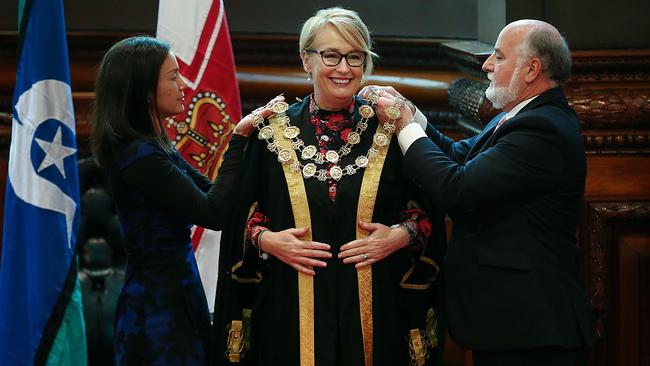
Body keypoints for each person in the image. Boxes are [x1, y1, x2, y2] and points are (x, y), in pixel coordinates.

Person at [213, 7, 446, 366]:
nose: (344, 68)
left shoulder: (392, 127)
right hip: (290, 306)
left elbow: (432, 203)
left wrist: (401, 234)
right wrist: (266, 240)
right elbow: (237, 215)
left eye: (355, 56)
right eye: (331, 55)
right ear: (306, 60)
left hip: (376, 307)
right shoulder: (270, 131)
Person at [362, 19, 594, 366]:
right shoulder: (519, 115)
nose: (486, 65)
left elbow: (457, 189)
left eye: (498, 57)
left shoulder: (543, 128)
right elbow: (457, 156)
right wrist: (411, 112)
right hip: (509, 323)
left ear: (531, 69)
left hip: (533, 329)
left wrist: (404, 125)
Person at [91, 36, 279, 365]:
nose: (184, 85)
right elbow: (214, 213)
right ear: (143, 88)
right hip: (156, 313)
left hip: (178, 295)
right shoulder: (140, 156)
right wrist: (238, 138)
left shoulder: (155, 144)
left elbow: (213, 192)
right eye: (173, 76)